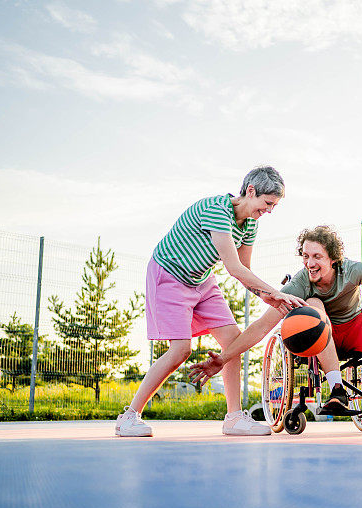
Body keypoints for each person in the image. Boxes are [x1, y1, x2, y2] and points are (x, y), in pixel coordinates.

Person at [116, 166, 306, 437]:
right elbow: (233, 268)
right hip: (169, 274)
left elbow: (246, 272)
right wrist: (277, 293)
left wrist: (271, 299)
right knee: (180, 350)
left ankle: (233, 418)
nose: (269, 211)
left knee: (233, 342)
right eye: (267, 203)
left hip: (201, 279)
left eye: (274, 206)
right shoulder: (216, 209)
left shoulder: (250, 224)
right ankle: (129, 416)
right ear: (250, 191)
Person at [189, 225, 362, 417]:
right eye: (305, 256)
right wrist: (224, 358)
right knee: (313, 305)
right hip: (318, 338)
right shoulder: (300, 283)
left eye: (317, 257)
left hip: (352, 332)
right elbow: (261, 326)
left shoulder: (352, 270)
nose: (309, 263)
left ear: (333, 258)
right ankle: (336, 389)